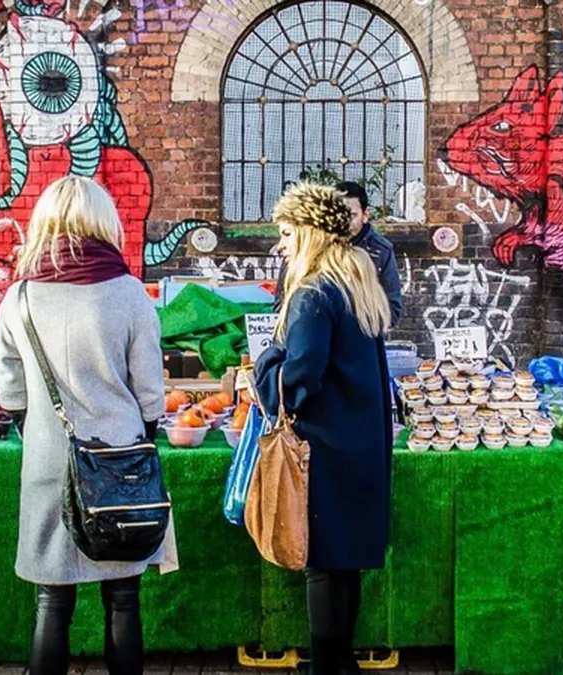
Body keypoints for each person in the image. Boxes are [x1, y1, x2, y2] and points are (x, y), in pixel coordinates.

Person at [0, 175, 179, 675]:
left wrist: (39, 430)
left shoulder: (19, 297)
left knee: (52, 602)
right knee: (123, 598)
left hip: (49, 462)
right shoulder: (129, 294)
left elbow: (11, 393)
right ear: (104, 222)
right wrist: (138, 431)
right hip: (119, 464)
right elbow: (150, 394)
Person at [252, 183, 394, 675]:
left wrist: (265, 362)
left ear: (310, 233)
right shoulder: (357, 280)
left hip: (326, 444)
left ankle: (327, 667)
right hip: (361, 440)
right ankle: (340, 662)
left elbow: (299, 377)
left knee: (323, 561)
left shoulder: (312, 293)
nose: (281, 245)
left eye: (287, 233)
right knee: (344, 562)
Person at [272, 181, 403, 327]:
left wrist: (352, 324)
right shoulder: (304, 249)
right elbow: (281, 304)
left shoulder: (380, 250)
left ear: (365, 215)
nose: (344, 222)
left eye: (351, 215)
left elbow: (391, 309)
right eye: (339, 216)